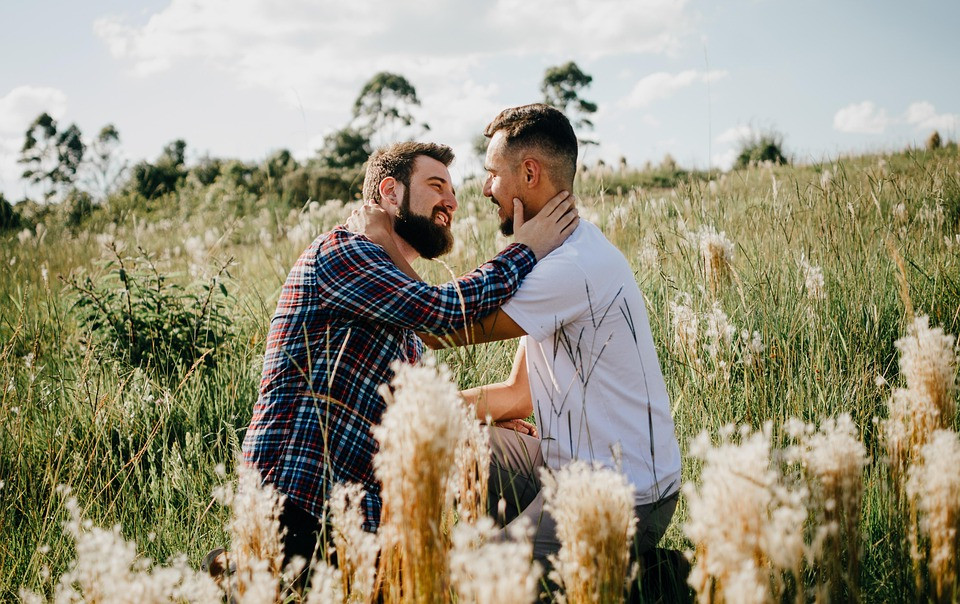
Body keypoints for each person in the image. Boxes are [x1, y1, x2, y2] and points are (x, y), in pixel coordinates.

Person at [237, 141, 578, 569]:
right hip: (297, 501)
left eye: (452, 190)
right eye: (436, 185)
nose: (451, 201)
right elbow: (444, 312)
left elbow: (411, 409)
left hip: (352, 519)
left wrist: (480, 417)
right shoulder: (347, 252)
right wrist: (526, 249)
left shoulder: (400, 317)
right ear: (390, 192)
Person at [426, 104, 682, 571]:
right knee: (458, 438)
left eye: (491, 173)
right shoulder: (557, 257)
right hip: (567, 469)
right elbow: (519, 395)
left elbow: (439, 328)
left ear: (529, 173)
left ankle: (642, 576)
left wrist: (381, 242)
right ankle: (585, 566)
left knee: (473, 583)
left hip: (621, 495)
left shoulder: (571, 268)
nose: (485, 188)